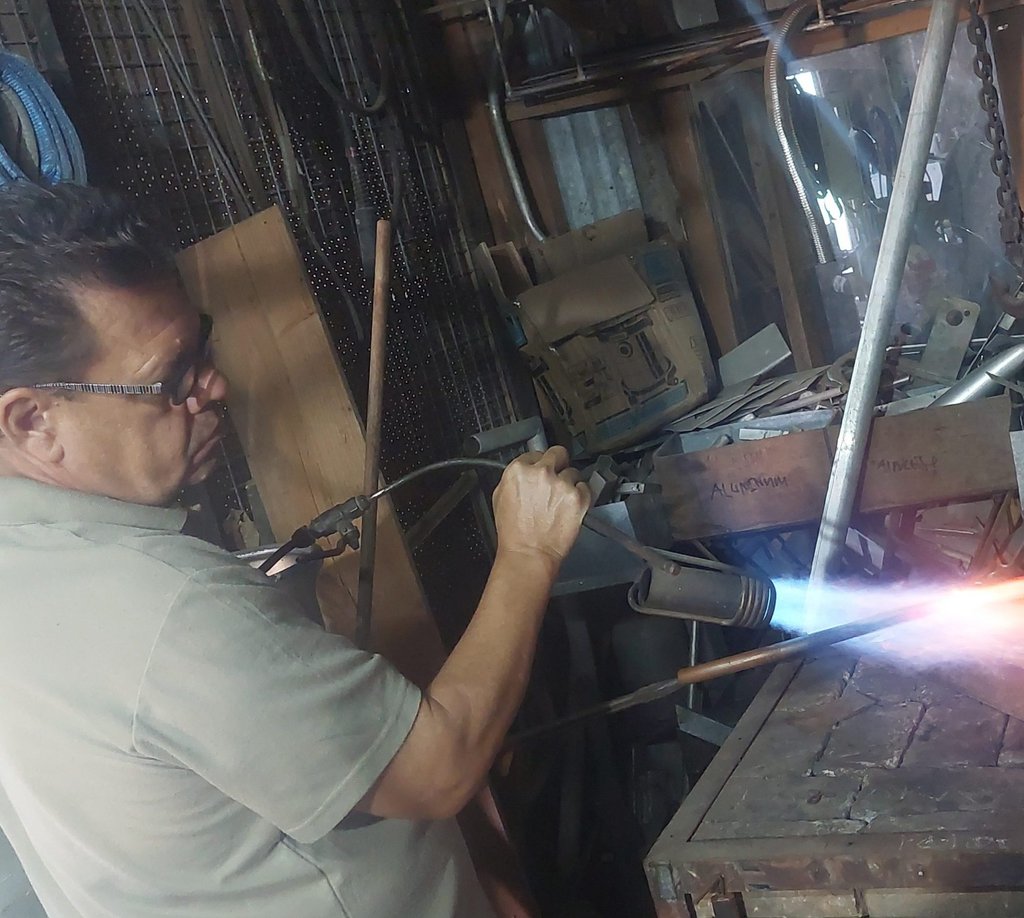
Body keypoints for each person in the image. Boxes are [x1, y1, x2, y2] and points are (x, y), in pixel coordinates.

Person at [0, 182, 590, 917]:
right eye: (169, 379)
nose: (212, 387)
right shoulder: (168, 606)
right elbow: (439, 769)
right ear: (31, 424)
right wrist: (528, 552)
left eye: (202, 349)